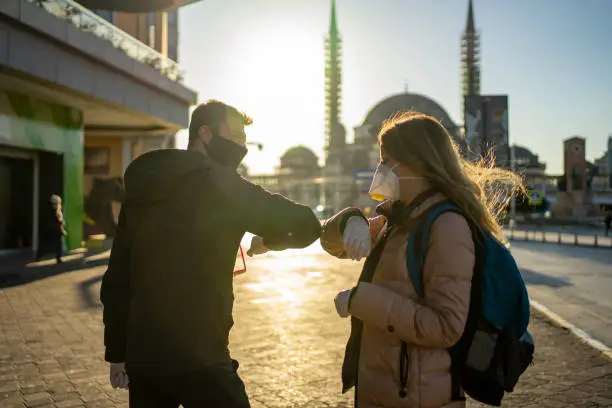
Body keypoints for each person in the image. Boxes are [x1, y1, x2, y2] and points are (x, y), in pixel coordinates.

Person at [100, 100, 321, 408]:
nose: (241, 145)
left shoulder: (143, 186)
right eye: (236, 136)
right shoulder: (224, 184)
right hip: (201, 354)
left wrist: (117, 354)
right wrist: (269, 242)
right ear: (205, 134)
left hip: (145, 355)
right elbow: (307, 225)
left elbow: (119, 273)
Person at [320, 113, 521, 408]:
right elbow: (331, 243)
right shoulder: (398, 218)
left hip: (421, 393)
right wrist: (351, 221)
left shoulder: (446, 226)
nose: (380, 169)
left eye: (387, 160)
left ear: (418, 162)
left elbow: (446, 325)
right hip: (388, 387)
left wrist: (361, 300)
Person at [36, 194, 66, 263]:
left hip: (50, 229)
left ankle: (39, 256)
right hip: (53, 229)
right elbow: (57, 219)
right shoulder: (54, 210)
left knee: (46, 243)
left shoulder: (50, 209)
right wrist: (60, 224)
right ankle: (58, 258)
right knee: (56, 243)